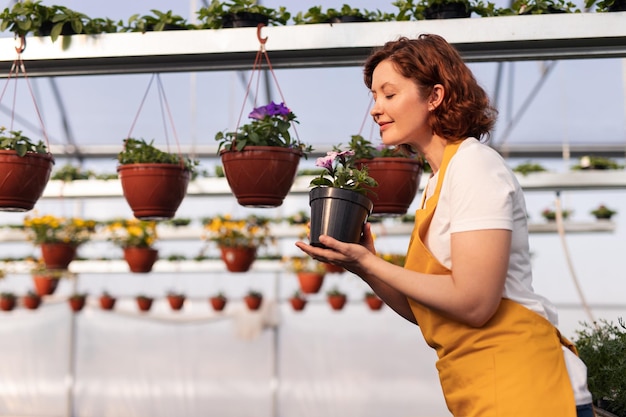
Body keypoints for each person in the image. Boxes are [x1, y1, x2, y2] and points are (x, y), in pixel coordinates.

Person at [296, 34, 595, 417]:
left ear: (434, 96)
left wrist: (372, 264)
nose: (375, 108)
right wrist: (362, 266)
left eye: (389, 94)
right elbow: (428, 307)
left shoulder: (474, 166)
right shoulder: (440, 179)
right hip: (485, 389)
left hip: (526, 387)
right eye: (374, 96)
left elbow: (473, 302)